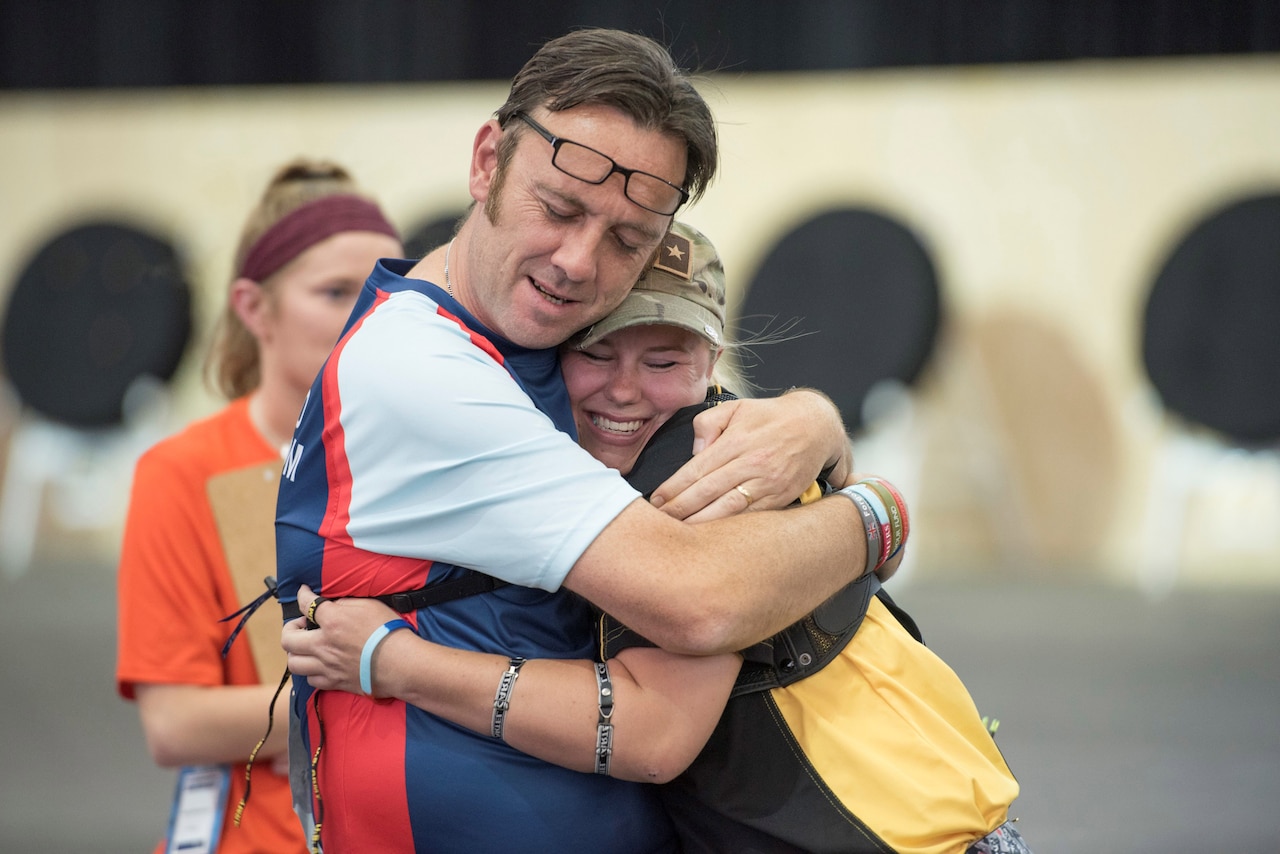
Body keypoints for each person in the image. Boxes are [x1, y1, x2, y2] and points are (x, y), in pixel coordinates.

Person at [276, 29, 882, 853]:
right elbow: (698, 604)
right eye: (558, 207)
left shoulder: (519, 342)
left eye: (628, 240)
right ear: (486, 161)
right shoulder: (420, 369)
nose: (577, 262)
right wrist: (879, 514)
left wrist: (815, 419)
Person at [288, 222, 1032, 854]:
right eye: (598, 352)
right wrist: (866, 495)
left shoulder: (705, 468)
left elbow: (652, 735)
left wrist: (395, 661)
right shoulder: (650, 456)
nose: (624, 389)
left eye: (665, 360)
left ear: (712, 364)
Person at [115, 158, 402, 854]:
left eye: (386, 292)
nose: (365, 316)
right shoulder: (186, 471)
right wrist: (403, 680)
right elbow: (177, 724)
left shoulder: (425, 458)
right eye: (334, 292)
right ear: (253, 307)